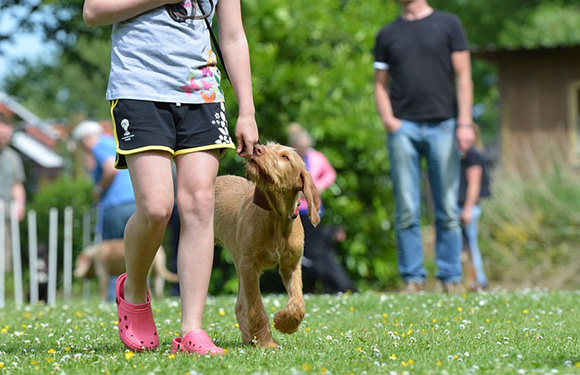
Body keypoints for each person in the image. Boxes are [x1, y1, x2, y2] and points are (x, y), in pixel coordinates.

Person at [83, 0, 259, 354]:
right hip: (139, 89)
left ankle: (192, 329)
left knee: (199, 202)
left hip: (202, 93)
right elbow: (93, 12)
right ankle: (133, 290)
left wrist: (247, 110)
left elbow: (233, 36)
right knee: (156, 207)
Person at [373, 0, 473, 293]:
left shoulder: (449, 24)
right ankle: (412, 278)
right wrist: (389, 120)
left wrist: (464, 122)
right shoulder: (387, 33)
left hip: (443, 125)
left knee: (447, 208)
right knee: (406, 207)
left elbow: (464, 75)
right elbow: (380, 83)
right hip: (404, 128)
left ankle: (451, 277)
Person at [287, 123, 356, 294]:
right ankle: (309, 288)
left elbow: (330, 174)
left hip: (314, 210)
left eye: (305, 147)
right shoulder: (288, 159)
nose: (303, 151)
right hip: (296, 211)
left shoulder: (317, 157)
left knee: (316, 253)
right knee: (306, 254)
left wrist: (317, 187)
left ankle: (335, 287)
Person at [72, 120, 137, 300]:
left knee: (108, 256)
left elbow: (110, 169)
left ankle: (112, 298)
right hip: (133, 202)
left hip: (114, 206)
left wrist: (98, 189)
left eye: (82, 146)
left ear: (86, 140)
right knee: (135, 250)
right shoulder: (113, 142)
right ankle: (136, 296)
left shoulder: (98, 146)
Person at [457, 123, 490, 291]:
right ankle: (471, 281)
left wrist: (467, 209)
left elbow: (474, 186)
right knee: (464, 248)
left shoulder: (472, 156)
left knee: (470, 246)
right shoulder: (462, 156)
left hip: (467, 208)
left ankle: (478, 281)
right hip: (461, 207)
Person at [0, 113, 26, 273]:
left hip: (5, 214)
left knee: (4, 257)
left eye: (8, 135)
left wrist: (20, 206)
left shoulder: (13, 157)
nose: (5, 138)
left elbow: (17, 184)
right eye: (2, 134)